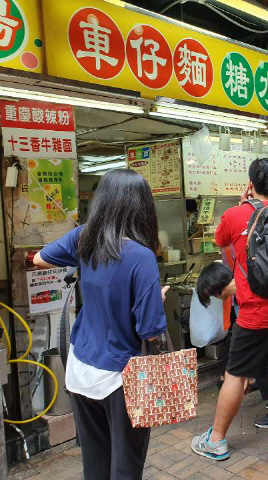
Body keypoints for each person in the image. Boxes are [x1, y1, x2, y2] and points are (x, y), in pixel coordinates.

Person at [33, 170, 168, 480]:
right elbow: (150, 329)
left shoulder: (83, 238)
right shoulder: (141, 257)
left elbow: (40, 259)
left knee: (95, 464)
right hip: (121, 378)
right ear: (142, 207)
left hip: (80, 370)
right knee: (125, 466)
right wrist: (155, 300)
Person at [191, 158, 268, 473]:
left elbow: (221, 241)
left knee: (235, 376)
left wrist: (246, 206)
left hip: (251, 315)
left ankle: (217, 441)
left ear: (250, 184)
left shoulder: (235, 215)